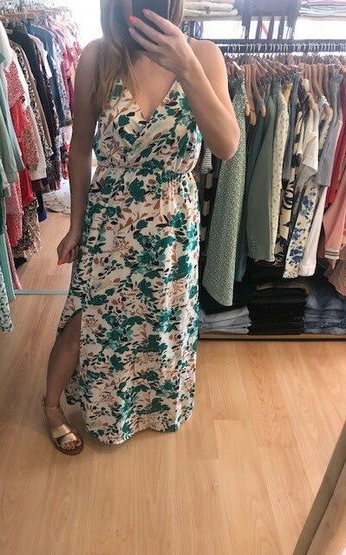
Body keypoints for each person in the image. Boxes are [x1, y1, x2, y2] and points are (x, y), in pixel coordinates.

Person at [42, 0, 240, 454]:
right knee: (89, 318)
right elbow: (79, 149)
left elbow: (227, 145)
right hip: (110, 217)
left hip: (173, 225)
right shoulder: (98, 56)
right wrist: (76, 224)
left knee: (160, 320)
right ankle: (51, 405)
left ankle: (145, 407)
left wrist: (187, 67)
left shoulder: (203, 55)